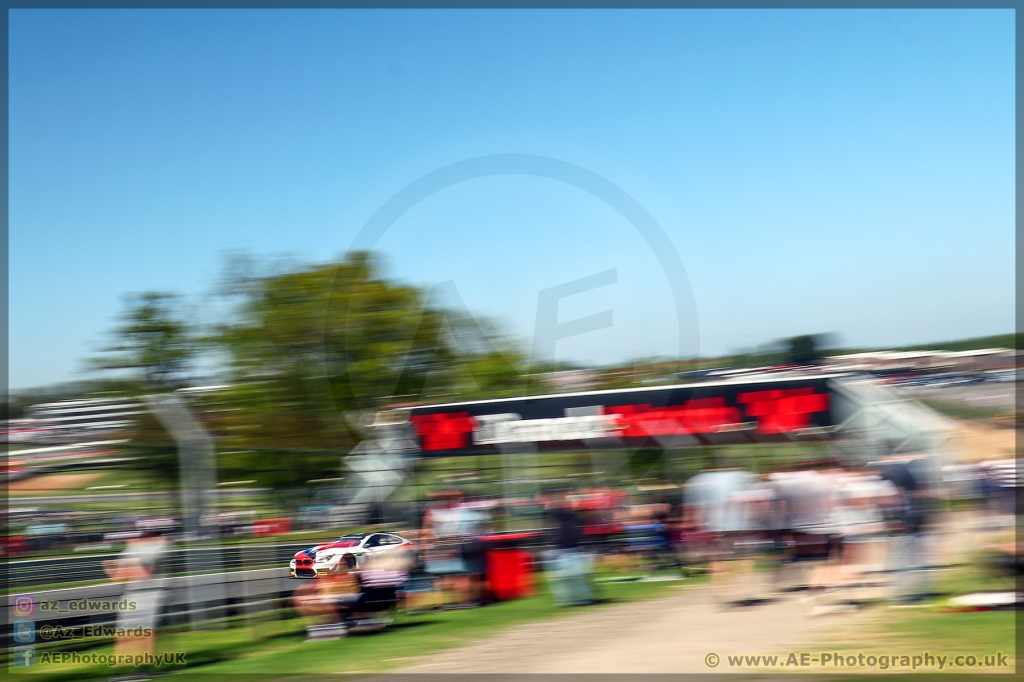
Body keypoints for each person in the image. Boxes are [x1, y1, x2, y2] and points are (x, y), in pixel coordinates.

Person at [102, 529, 168, 665]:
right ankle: (124, 664)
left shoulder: (158, 548)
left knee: (145, 631)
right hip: (133, 595)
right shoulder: (134, 548)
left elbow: (147, 571)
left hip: (150, 594)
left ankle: (143, 664)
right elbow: (118, 576)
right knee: (125, 631)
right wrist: (114, 569)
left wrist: (125, 567)